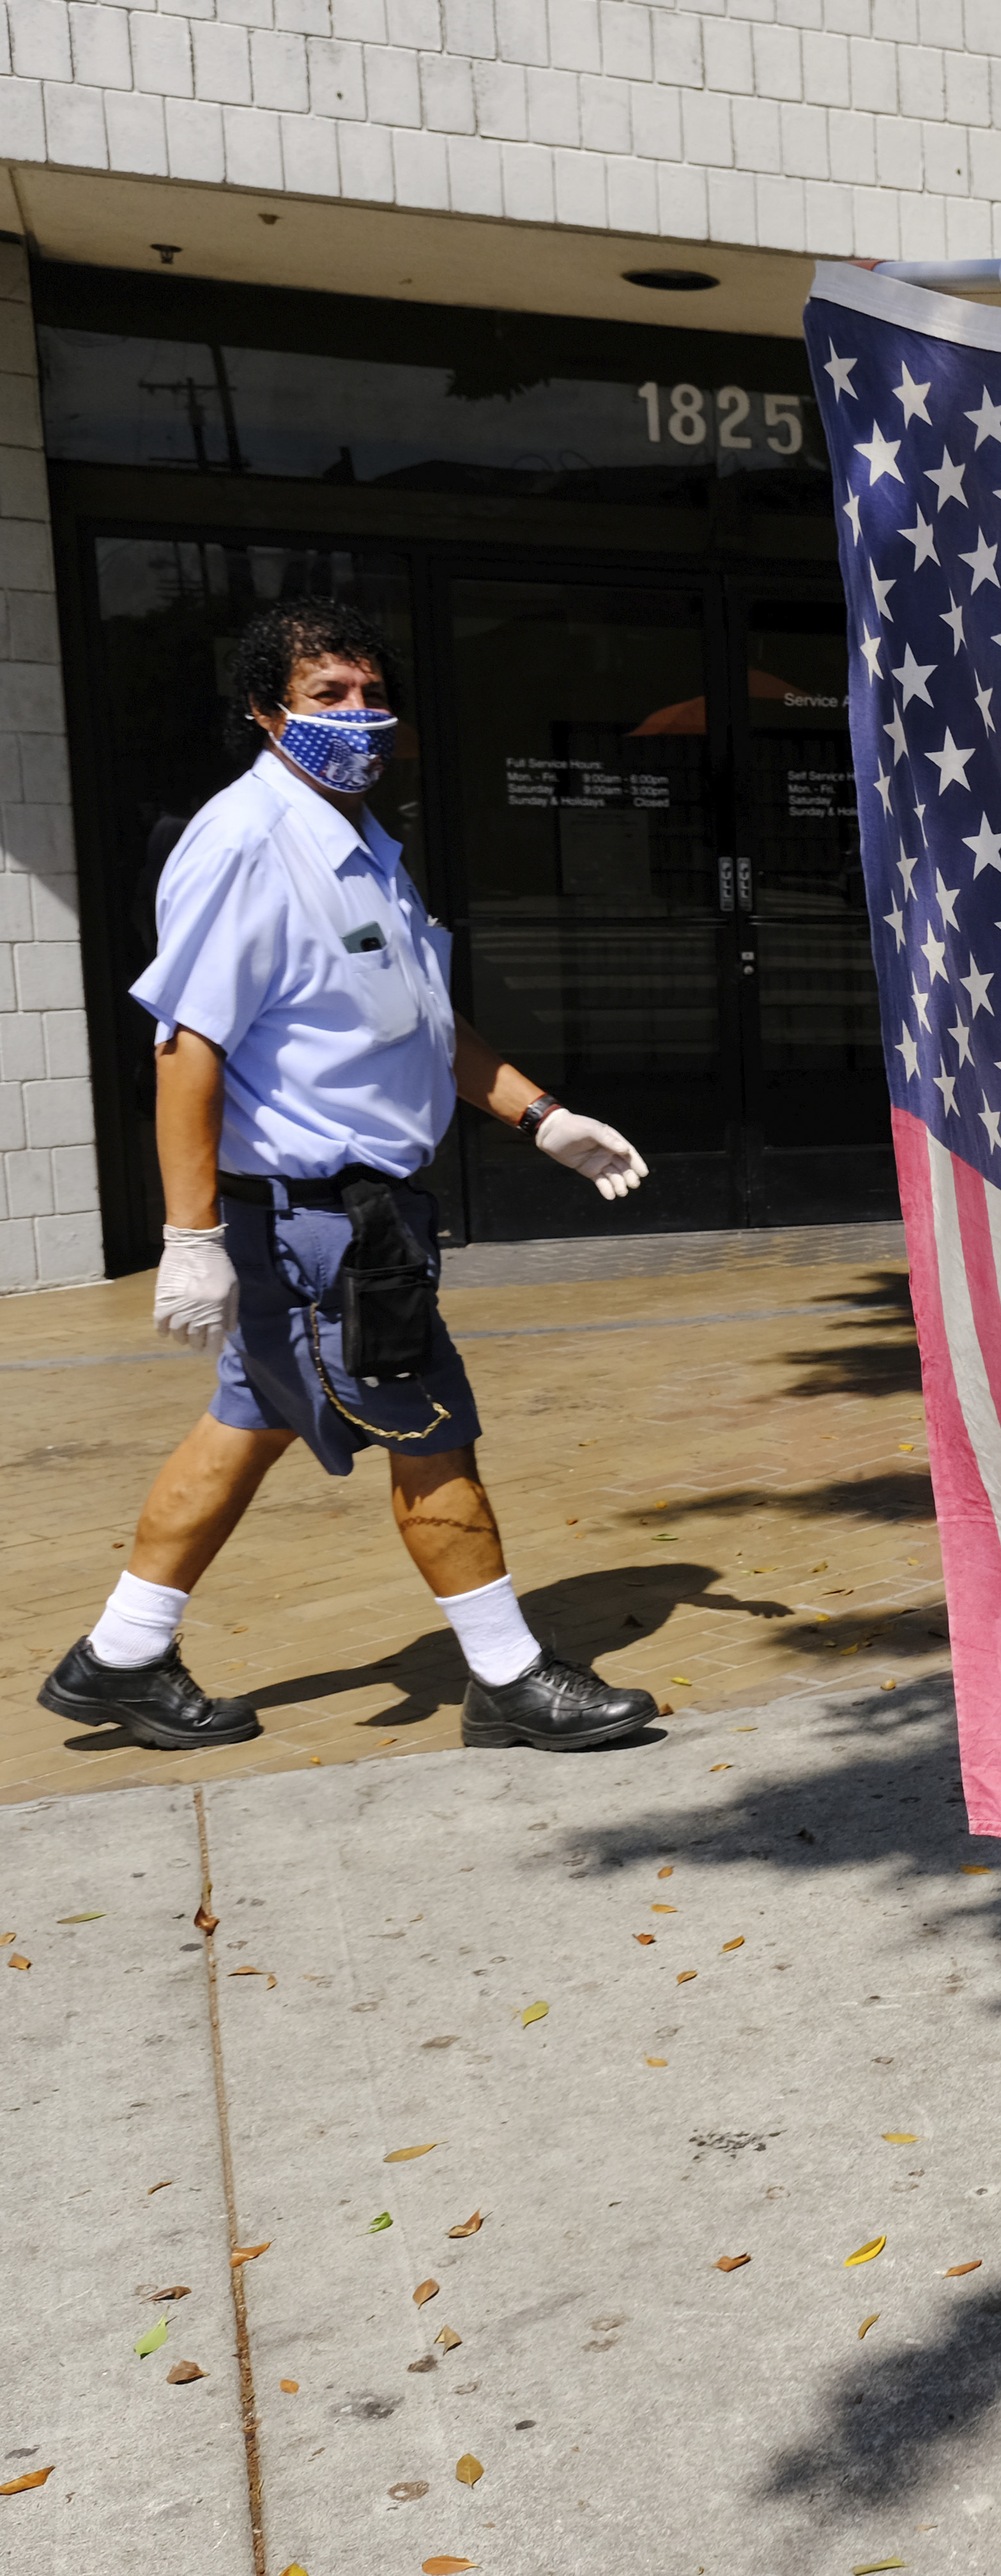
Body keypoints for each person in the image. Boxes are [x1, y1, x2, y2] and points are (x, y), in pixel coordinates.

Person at [37, 599, 669, 1758]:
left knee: (247, 1424)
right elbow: (188, 1049)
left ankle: (120, 1654)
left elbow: (420, 1020)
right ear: (266, 713)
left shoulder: (366, 840)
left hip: (348, 1216)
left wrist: (541, 1114)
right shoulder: (248, 841)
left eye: (371, 694)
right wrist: (189, 1236)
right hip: (329, 1226)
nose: (359, 717)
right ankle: (508, 1674)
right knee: (431, 1425)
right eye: (328, 697)